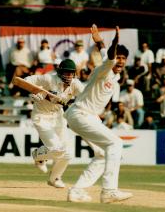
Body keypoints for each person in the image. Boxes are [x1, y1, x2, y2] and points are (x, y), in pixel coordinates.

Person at [64, 24, 132, 203]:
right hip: (81, 113)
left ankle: (77, 191)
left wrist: (100, 40)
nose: (121, 61)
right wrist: (115, 41)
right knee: (116, 144)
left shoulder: (115, 76)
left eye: (124, 58)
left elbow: (104, 50)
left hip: (85, 116)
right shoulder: (105, 69)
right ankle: (109, 191)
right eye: (119, 57)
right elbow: (108, 55)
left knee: (103, 154)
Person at [24, 58, 84, 188]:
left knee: (67, 153)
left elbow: (86, 95)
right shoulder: (48, 79)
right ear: (60, 72)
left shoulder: (76, 84)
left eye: (71, 73)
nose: (69, 76)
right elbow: (26, 81)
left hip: (58, 117)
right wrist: (36, 92)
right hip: (41, 116)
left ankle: (54, 178)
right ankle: (38, 155)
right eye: (66, 73)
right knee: (58, 150)